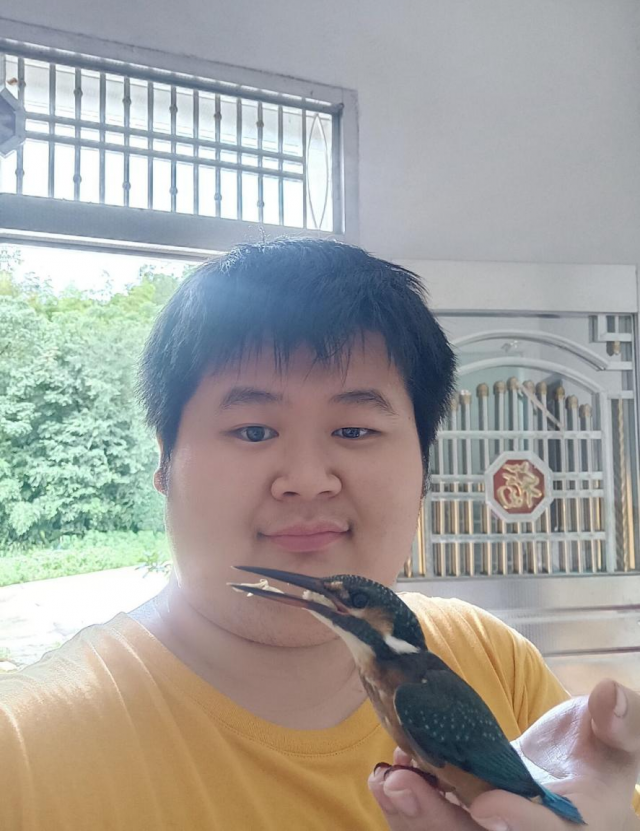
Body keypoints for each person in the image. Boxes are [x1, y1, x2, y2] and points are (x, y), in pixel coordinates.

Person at [1, 238, 638, 831]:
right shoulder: (21, 753)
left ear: (425, 469)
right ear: (164, 464)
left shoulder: (492, 658)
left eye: (355, 430)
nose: (307, 481)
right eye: (253, 430)